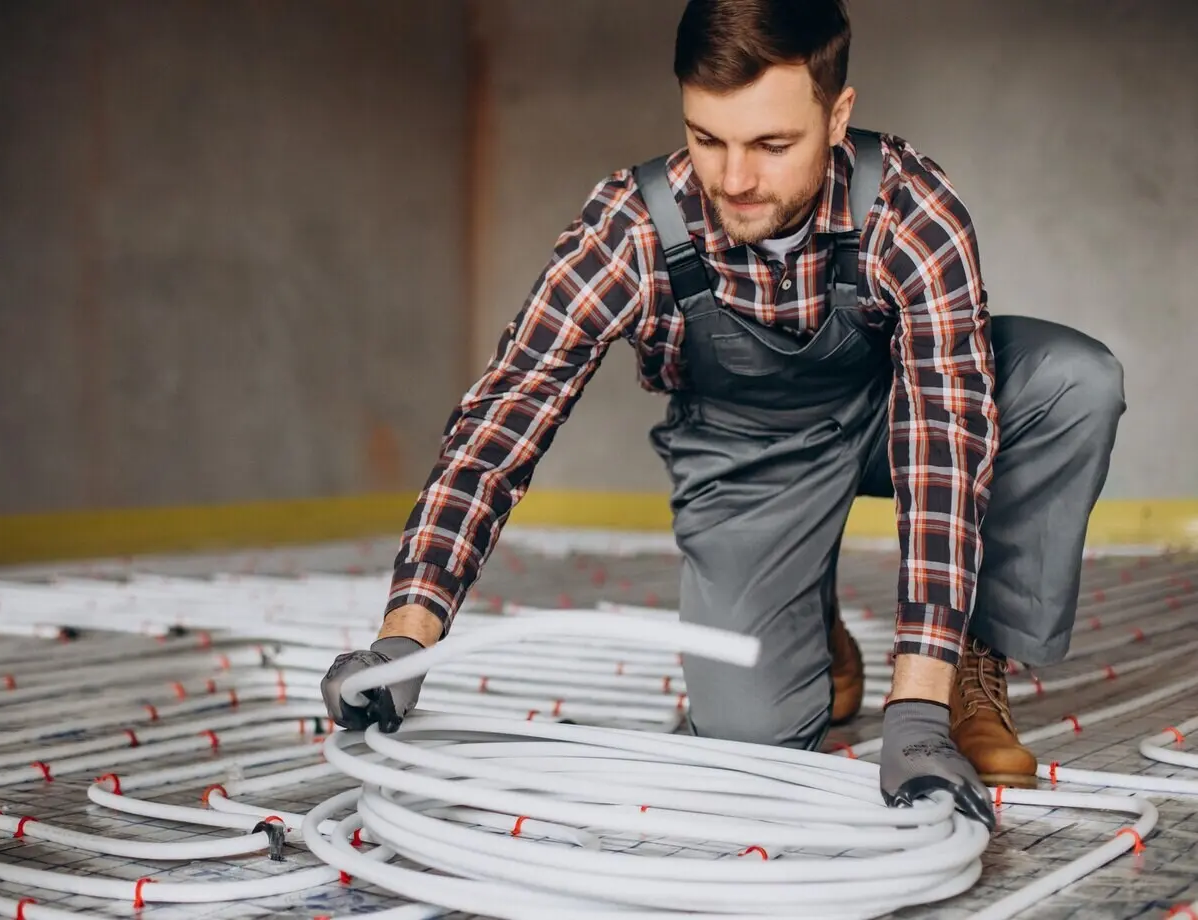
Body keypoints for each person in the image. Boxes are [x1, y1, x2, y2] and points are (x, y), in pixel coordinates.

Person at [320, 0, 1125, 829]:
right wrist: (406, 638)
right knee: (748, 740)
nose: (734, 179)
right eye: (708, 139)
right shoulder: (632, 226)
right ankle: (808, 626)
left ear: (836, 116)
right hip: (748, 458)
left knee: (1071, 380)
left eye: (772, 145)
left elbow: (945, 441)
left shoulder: (910, 209)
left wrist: (915, 702)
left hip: (897, 416)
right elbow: (503, 422)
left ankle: (969, 668)